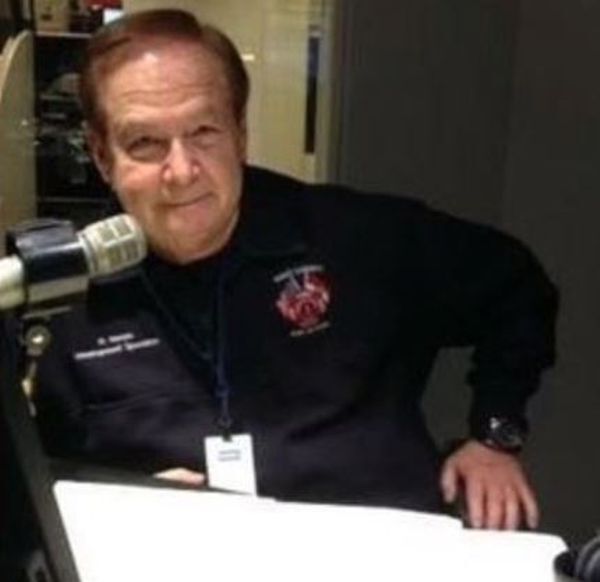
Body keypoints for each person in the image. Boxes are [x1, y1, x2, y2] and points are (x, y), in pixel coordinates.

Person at [33, 8, 558, 531]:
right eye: (145, 143)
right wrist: (125, 501)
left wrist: (495, 436)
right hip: (176, 553)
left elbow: (516, 284)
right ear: (102, 157)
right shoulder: (60, 297)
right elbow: (37, 478)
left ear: (240, 134)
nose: (182, 171)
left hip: (378, 544)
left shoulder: (352, 235)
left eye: (204, 131)